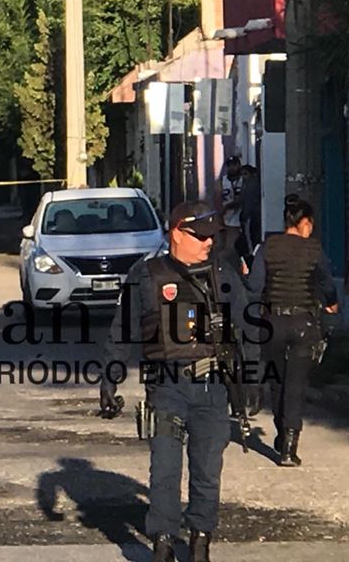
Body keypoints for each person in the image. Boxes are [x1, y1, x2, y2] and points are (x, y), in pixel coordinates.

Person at [100, 201, 255, 562]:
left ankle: (200, 541)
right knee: (165, 470)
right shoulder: (146, 275)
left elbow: (248, 327)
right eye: (200, 236)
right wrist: (110, 378)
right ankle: (164, 542)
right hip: (166, 387)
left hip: (213, 387)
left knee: (207, 470)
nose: (208, 243)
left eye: (212, 236)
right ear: (176, 234)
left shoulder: (223, 273)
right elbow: (123, 329)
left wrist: (253, 377)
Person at [244, 194, 338, 467]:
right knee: (296, 384)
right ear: (304, 222)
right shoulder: (313, 249)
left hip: (272, 323)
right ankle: (289, 445)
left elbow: (254, 286)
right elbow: (327, 282)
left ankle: (281, 430)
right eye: (311, 224)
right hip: (303, 324)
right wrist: (331, 303)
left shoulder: (267, 247)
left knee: (277, 381)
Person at [215, 155, 244, 257]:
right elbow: (217, 199)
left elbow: (243, 198)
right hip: (225, 216)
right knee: (222, 245)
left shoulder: (243, 180)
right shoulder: (222, 181)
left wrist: (229, 206)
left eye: (234, 165)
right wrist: (220, 215)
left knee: (233, 246)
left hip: (239, 216)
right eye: (229, 165)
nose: (232, 168)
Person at [238, 165, 262, 267]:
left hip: (251, 216)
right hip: (251, 215)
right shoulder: (247, 184)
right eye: (242, 174)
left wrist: (245, 214)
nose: (243, 177)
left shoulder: (251, 185)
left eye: (245, 174)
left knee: (250, 239)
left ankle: (251, 257)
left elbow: (248, 202)